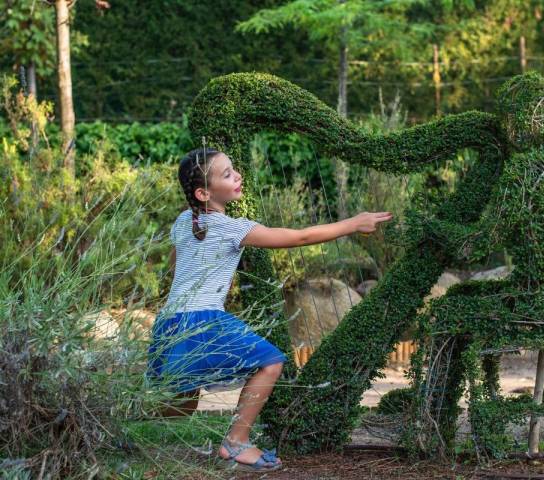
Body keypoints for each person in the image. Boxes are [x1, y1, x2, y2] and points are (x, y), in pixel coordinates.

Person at [146, 147, 392, 472]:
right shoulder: (232, 228)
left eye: (233, 170)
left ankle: (104, 419)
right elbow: (301, 236)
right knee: (271, 362)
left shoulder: (182, 221)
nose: (238, 176)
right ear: (204, 192)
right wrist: (353, 223)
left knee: (182, 405)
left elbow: (177, 265)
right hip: (201, 319)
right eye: (227, 174)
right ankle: (235, 443)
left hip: (169, 322)